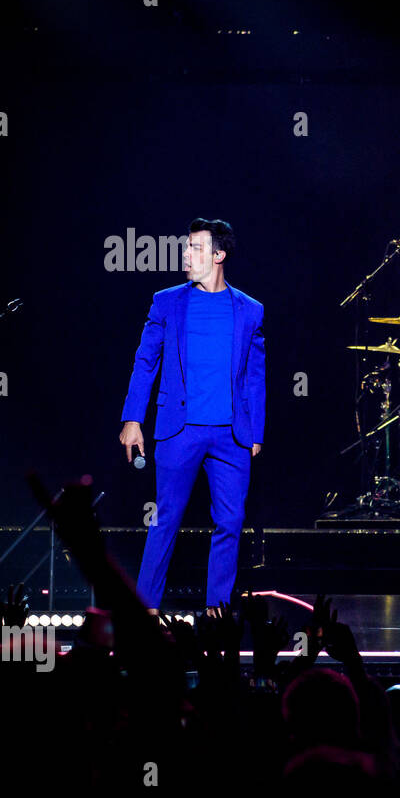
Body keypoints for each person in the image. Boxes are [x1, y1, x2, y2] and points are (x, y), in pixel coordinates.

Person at [118, 218, 265, 617]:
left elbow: (254, 375)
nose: (186, 253)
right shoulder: (167, 301)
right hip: (178, 431)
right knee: (165, 521)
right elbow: (145, 361)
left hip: (231, 437)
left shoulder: (250, 310)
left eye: (196, 248)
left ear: (218, 255)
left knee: (230, 524)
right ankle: (145, 611)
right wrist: (133, 418)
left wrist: (255, 431)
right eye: (187, 246)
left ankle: (217, 615)